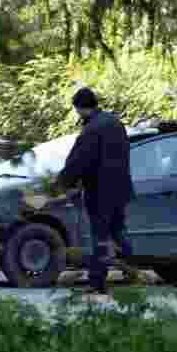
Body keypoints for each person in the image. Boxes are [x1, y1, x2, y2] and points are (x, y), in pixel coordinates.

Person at [55, 87, 134, 294]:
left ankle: (97, 281)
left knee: (99, 236)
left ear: (79, 108)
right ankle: (133, 266)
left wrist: (62, 182)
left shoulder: (92, 129)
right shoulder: (115, 123)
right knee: (117, 230)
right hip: (121, 188)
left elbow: (79, 160)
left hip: (100, 191)